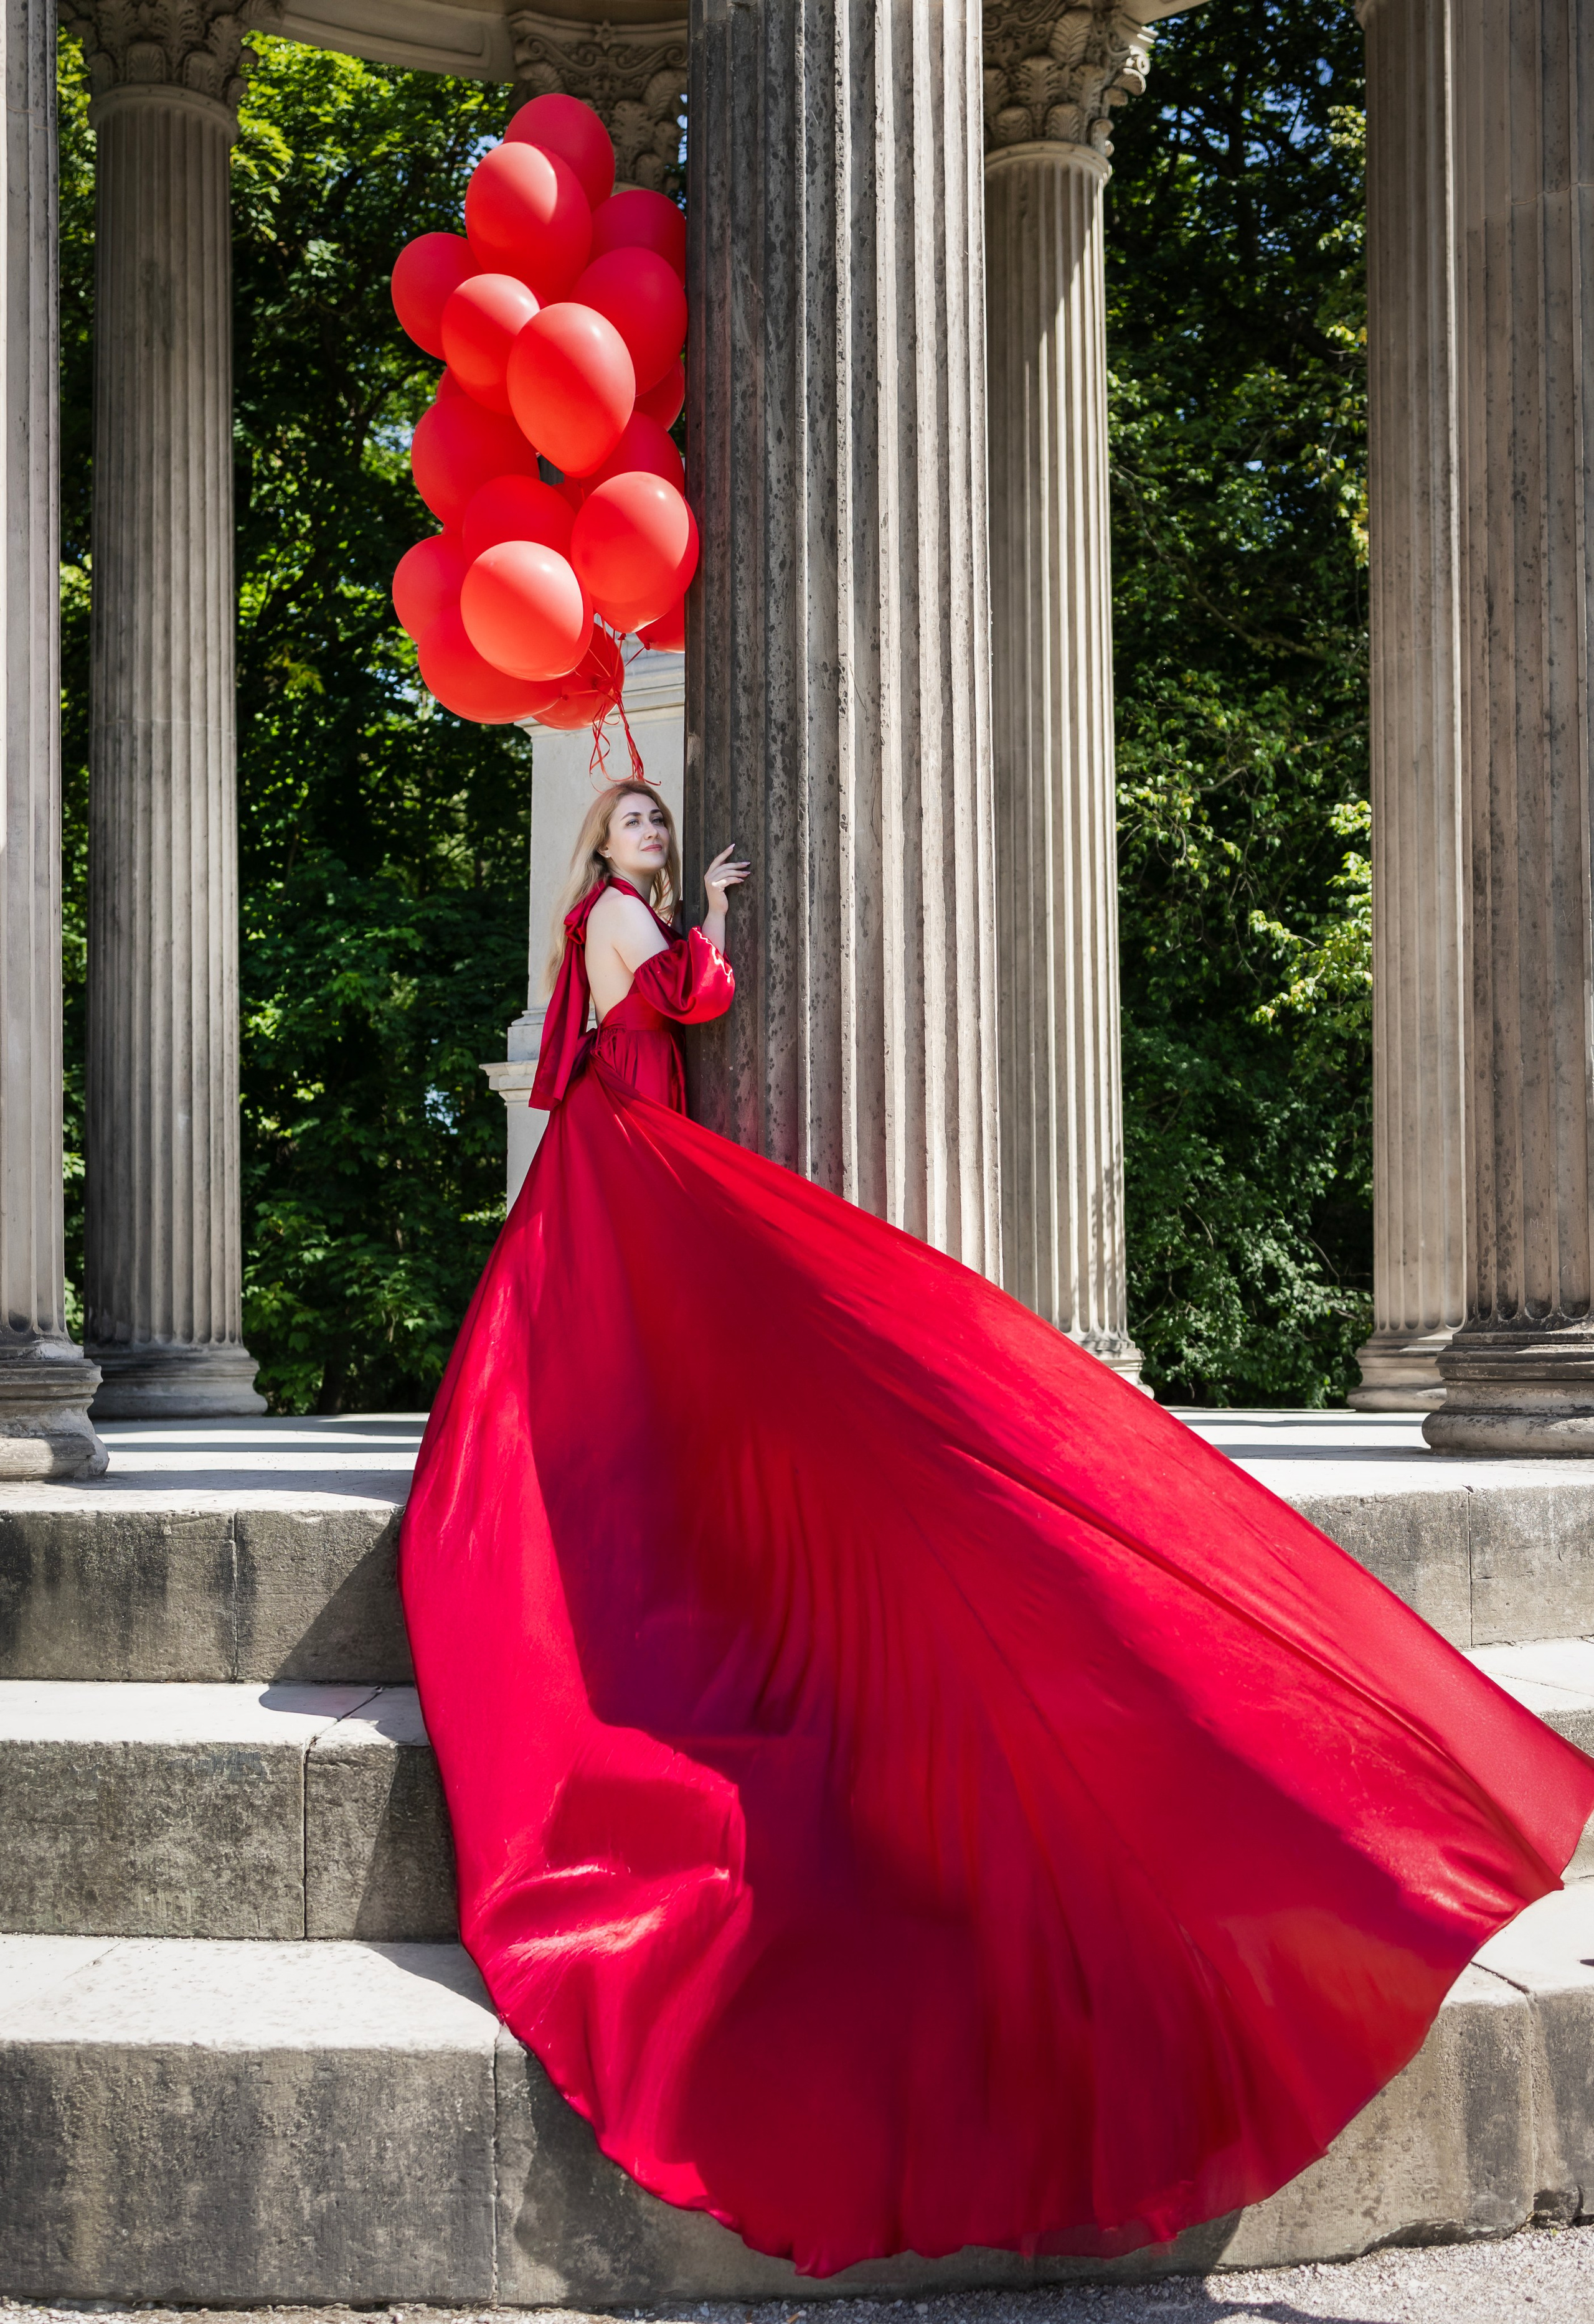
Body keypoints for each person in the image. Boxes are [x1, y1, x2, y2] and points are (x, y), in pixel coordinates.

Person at [402, 776, 1594, 2279]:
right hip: (638, 1160)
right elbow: (691, 999)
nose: (649, 836)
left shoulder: (592, 920)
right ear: (608, 848)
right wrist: (701, 915)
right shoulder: (622, 918)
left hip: (615, 1152)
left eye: (654, 829)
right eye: (636, 824)